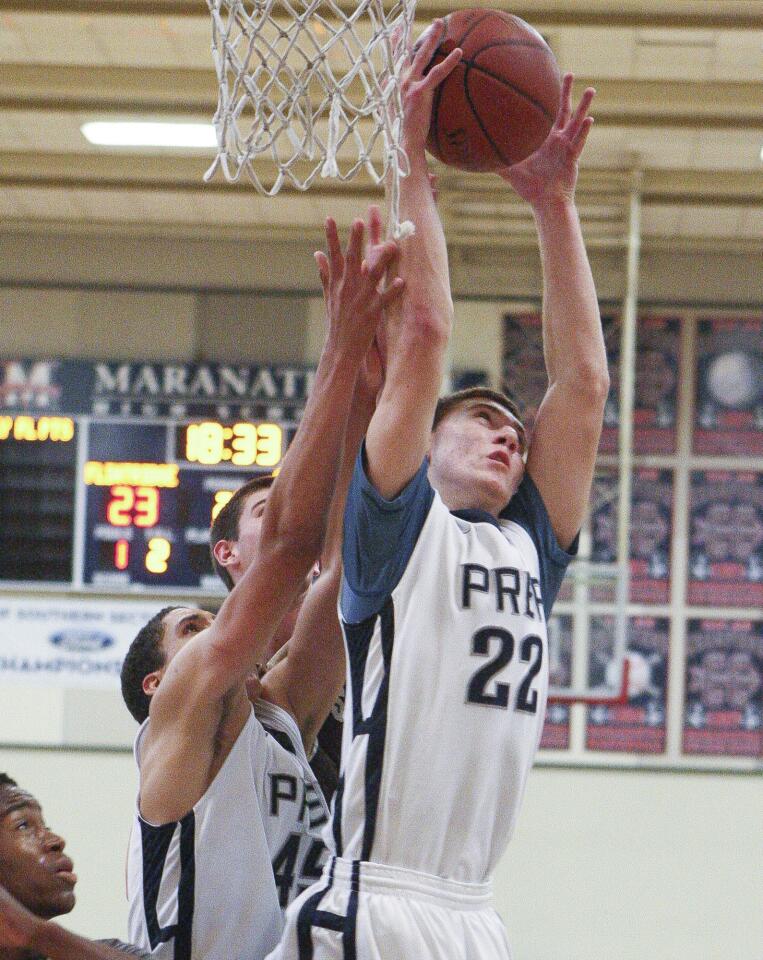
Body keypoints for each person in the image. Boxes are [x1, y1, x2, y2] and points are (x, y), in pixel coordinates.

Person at [269, 26, 608, 960]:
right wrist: (406, 157)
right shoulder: (397, 532)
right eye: (482, 419)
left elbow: (581, 388)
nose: (509, 431)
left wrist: (554, 204)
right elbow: (422, 328)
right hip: (372, 900)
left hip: (474, 913)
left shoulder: (529, 549)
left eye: (514, 427)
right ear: (423, 442)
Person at [120, 216, 402, 960]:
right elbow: (291, 549)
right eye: (190, 629)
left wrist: (366, 403)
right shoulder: (179, 726)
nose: (211, 631)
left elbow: (345, 570)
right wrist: (339, 354)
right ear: (158, 683)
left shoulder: (279, 716)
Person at [0, 773, 148, 960]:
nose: (56, 841)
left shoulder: (108, 952)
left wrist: (37, 934)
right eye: (23, 825)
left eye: (46, 827)